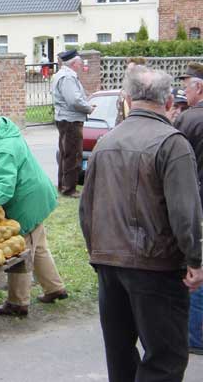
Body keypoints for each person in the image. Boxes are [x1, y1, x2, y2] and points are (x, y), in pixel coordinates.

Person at [79, 65, 203, 382]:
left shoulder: (105, 142)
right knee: (165, 357)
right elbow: (185, 213)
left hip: (110, 264)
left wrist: (99, 254)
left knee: (120, 355)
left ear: (129, 99)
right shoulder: (172, 143)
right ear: (167, 102)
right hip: (156, 266)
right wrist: (196, 260)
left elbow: (86, 208)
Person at [0, 103, 67, 317]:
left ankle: (17, 303)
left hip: (27, 202)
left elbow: (4, 186)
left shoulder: (4, 147)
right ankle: (55, 288)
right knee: (38, 246)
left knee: (22, 251)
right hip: (32, 196)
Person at [174, 62, 203, 356]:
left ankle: (194, 335)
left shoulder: (189, 120)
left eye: (187, 86)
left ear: (200, 88)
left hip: (197, 201)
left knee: (196, 265)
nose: (185, 92)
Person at [51, 49, 95, 197]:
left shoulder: (61, 75)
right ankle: (69, 189)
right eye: (80, 63)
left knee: (66, 153)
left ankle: (63, 186)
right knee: (73, 154)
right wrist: (88, 108)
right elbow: (74, 100)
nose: (81, 65)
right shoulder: (68, 77)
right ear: (74, 63)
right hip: (71, 120)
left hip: (65, 119)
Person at [115, 57, 147, 126]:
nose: (127, 73)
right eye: (127, 70)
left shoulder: (146, 93)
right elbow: (120, 116)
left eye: (131, 70)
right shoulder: (124, 91)